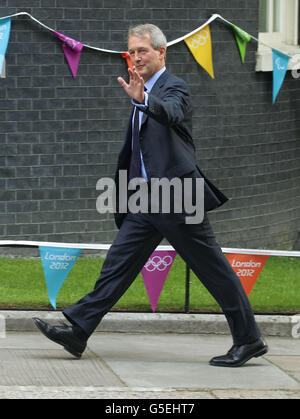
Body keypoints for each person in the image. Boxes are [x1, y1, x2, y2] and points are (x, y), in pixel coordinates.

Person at [33, 24, 268, 367]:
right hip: (145, 199)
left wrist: (143, 99)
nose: (136, 57)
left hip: (176, 197)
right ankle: (78, 331)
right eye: (132, 51)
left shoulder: (173, 88)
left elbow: (170, 111)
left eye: (143, 51)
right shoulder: (137, 89)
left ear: (161, 53)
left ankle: (249, 340)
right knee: (118, 264)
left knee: (213, 269)